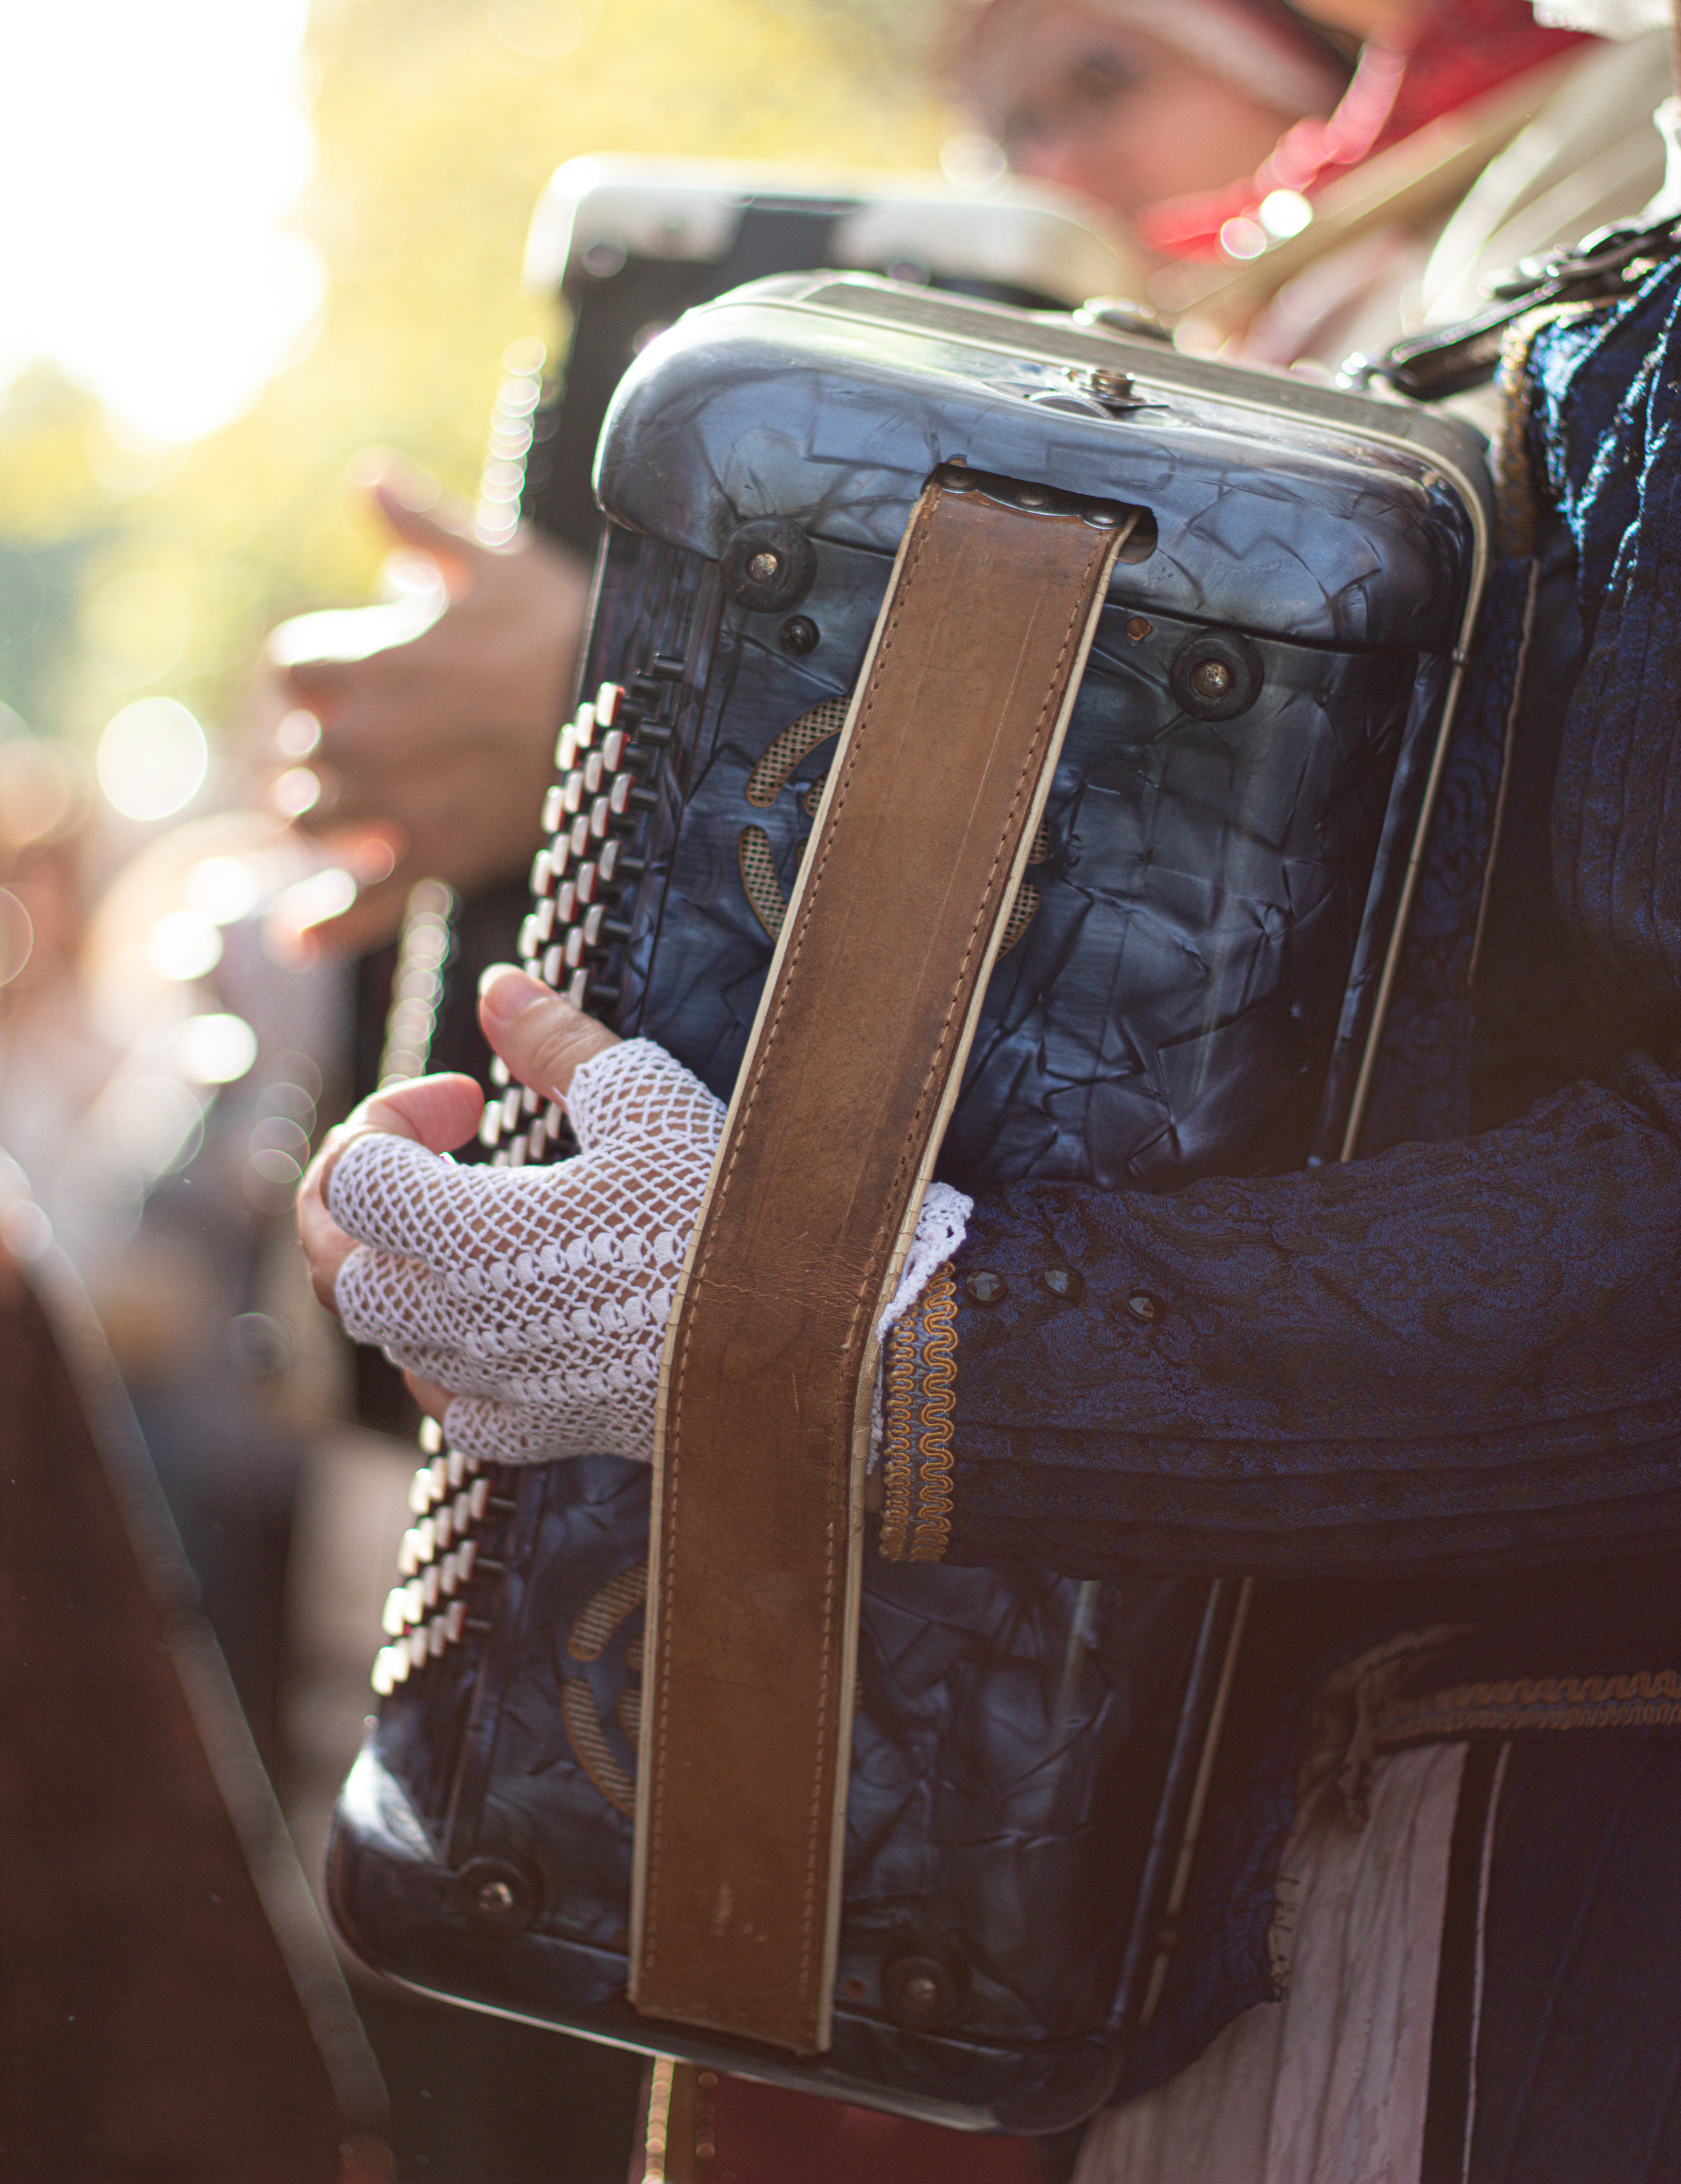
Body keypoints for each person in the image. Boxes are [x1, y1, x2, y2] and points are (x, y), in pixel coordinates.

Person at [299, 3, 1681, 2177]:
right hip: (1224, 1919)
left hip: (1550, 1916)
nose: (1036, 161)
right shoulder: (1501, 254)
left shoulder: (1574, 238)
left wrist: (886, 1336)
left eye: (1101, 76)